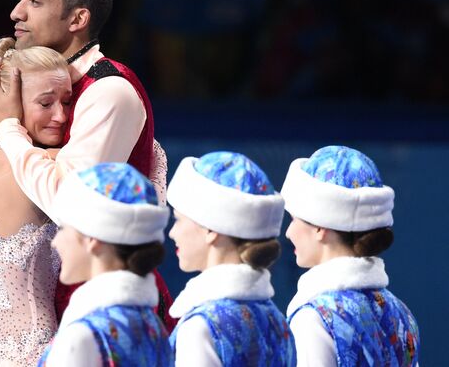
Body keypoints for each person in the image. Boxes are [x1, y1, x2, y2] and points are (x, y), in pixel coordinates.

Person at [0, 0, 174, 329]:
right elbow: (16, 202)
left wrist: (7, 126)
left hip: (108, 319)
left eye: (34, 1)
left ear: (77, 19)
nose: (16, 13)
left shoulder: (109, 90)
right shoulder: (43, 86)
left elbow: (68, 205)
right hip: (57, 318)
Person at [0, 37, 72, 366]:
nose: (62, 116)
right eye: (46, 103)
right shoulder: (51, 166)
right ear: (13, 104)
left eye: (67, 101)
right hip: (34, 354)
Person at [280, 145, 420, 366]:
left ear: (319, 226)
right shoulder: (401, 314)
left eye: (294, 219)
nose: (288, 233)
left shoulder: (314, 320)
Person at [166, 151, 296, 366]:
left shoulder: (200, 327)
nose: (172, 233)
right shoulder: (277, 320)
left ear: (210, 229)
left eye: (178, 220)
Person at [37, 162, 173, 366]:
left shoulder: (83, 336)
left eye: (64, 228)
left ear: (93, 239)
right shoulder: (153, 328)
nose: (56, 242)